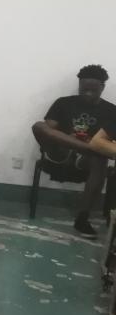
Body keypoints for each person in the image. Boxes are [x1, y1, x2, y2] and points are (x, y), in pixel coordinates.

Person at [34, 65, 116, 237]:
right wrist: (70, 138)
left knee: (100, 158)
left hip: (87, 158)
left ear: (102, 87)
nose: (88, 93)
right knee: (39, 126)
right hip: (60, 152)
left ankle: (82, 219)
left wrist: (90, 141)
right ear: (79, 84)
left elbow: (110, 142)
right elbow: (49, 130)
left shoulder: (111, 111)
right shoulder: (63, 102)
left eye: (93, 90)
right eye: (84, 89)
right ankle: (89, 146)